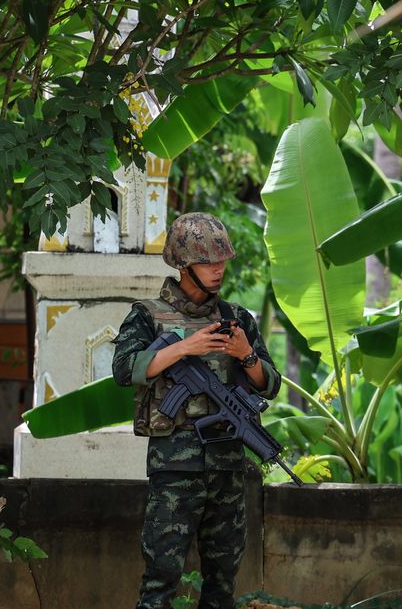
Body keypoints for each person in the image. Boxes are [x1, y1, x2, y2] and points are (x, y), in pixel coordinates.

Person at [112, 212, 281, 609]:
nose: (218, 269)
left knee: (222, 584)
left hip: (228, 467)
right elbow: (124, 370)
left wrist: (247, 355)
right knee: (160, 582)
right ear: (184, 265)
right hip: (175, 469)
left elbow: (269, 385)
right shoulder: (148, 315)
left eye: (222, 261)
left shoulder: (238, 320)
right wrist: (184, 348)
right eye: (208, 262)